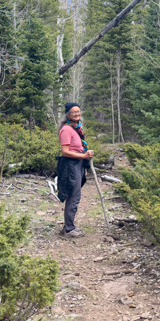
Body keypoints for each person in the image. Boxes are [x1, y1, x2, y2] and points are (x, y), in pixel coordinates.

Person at [56, 102, 93, 237]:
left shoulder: (76, 128)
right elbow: (65, 151)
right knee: (73, 195)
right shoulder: (66, 129)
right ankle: (69, 229)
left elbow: (78, 147)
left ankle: (69, 225)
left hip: (77, 164)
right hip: (70, 165)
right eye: (73, 112)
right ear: (67, 115)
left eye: (78, 111)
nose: (77, 114)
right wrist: (83, 155)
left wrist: (84, 163)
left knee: (75, 195)